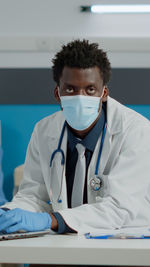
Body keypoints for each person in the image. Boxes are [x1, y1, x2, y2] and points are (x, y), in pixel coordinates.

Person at [0, 39, 150, 246]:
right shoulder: (44, 131)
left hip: (122, 243)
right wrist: (9, 212)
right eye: (70, 89)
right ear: (57, 93)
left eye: (90, 90)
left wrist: (51, 220)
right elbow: (33, 195)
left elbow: (119, 208)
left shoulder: (136, 131)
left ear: (104, 93)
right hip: (64, 243)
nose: (81, 97)